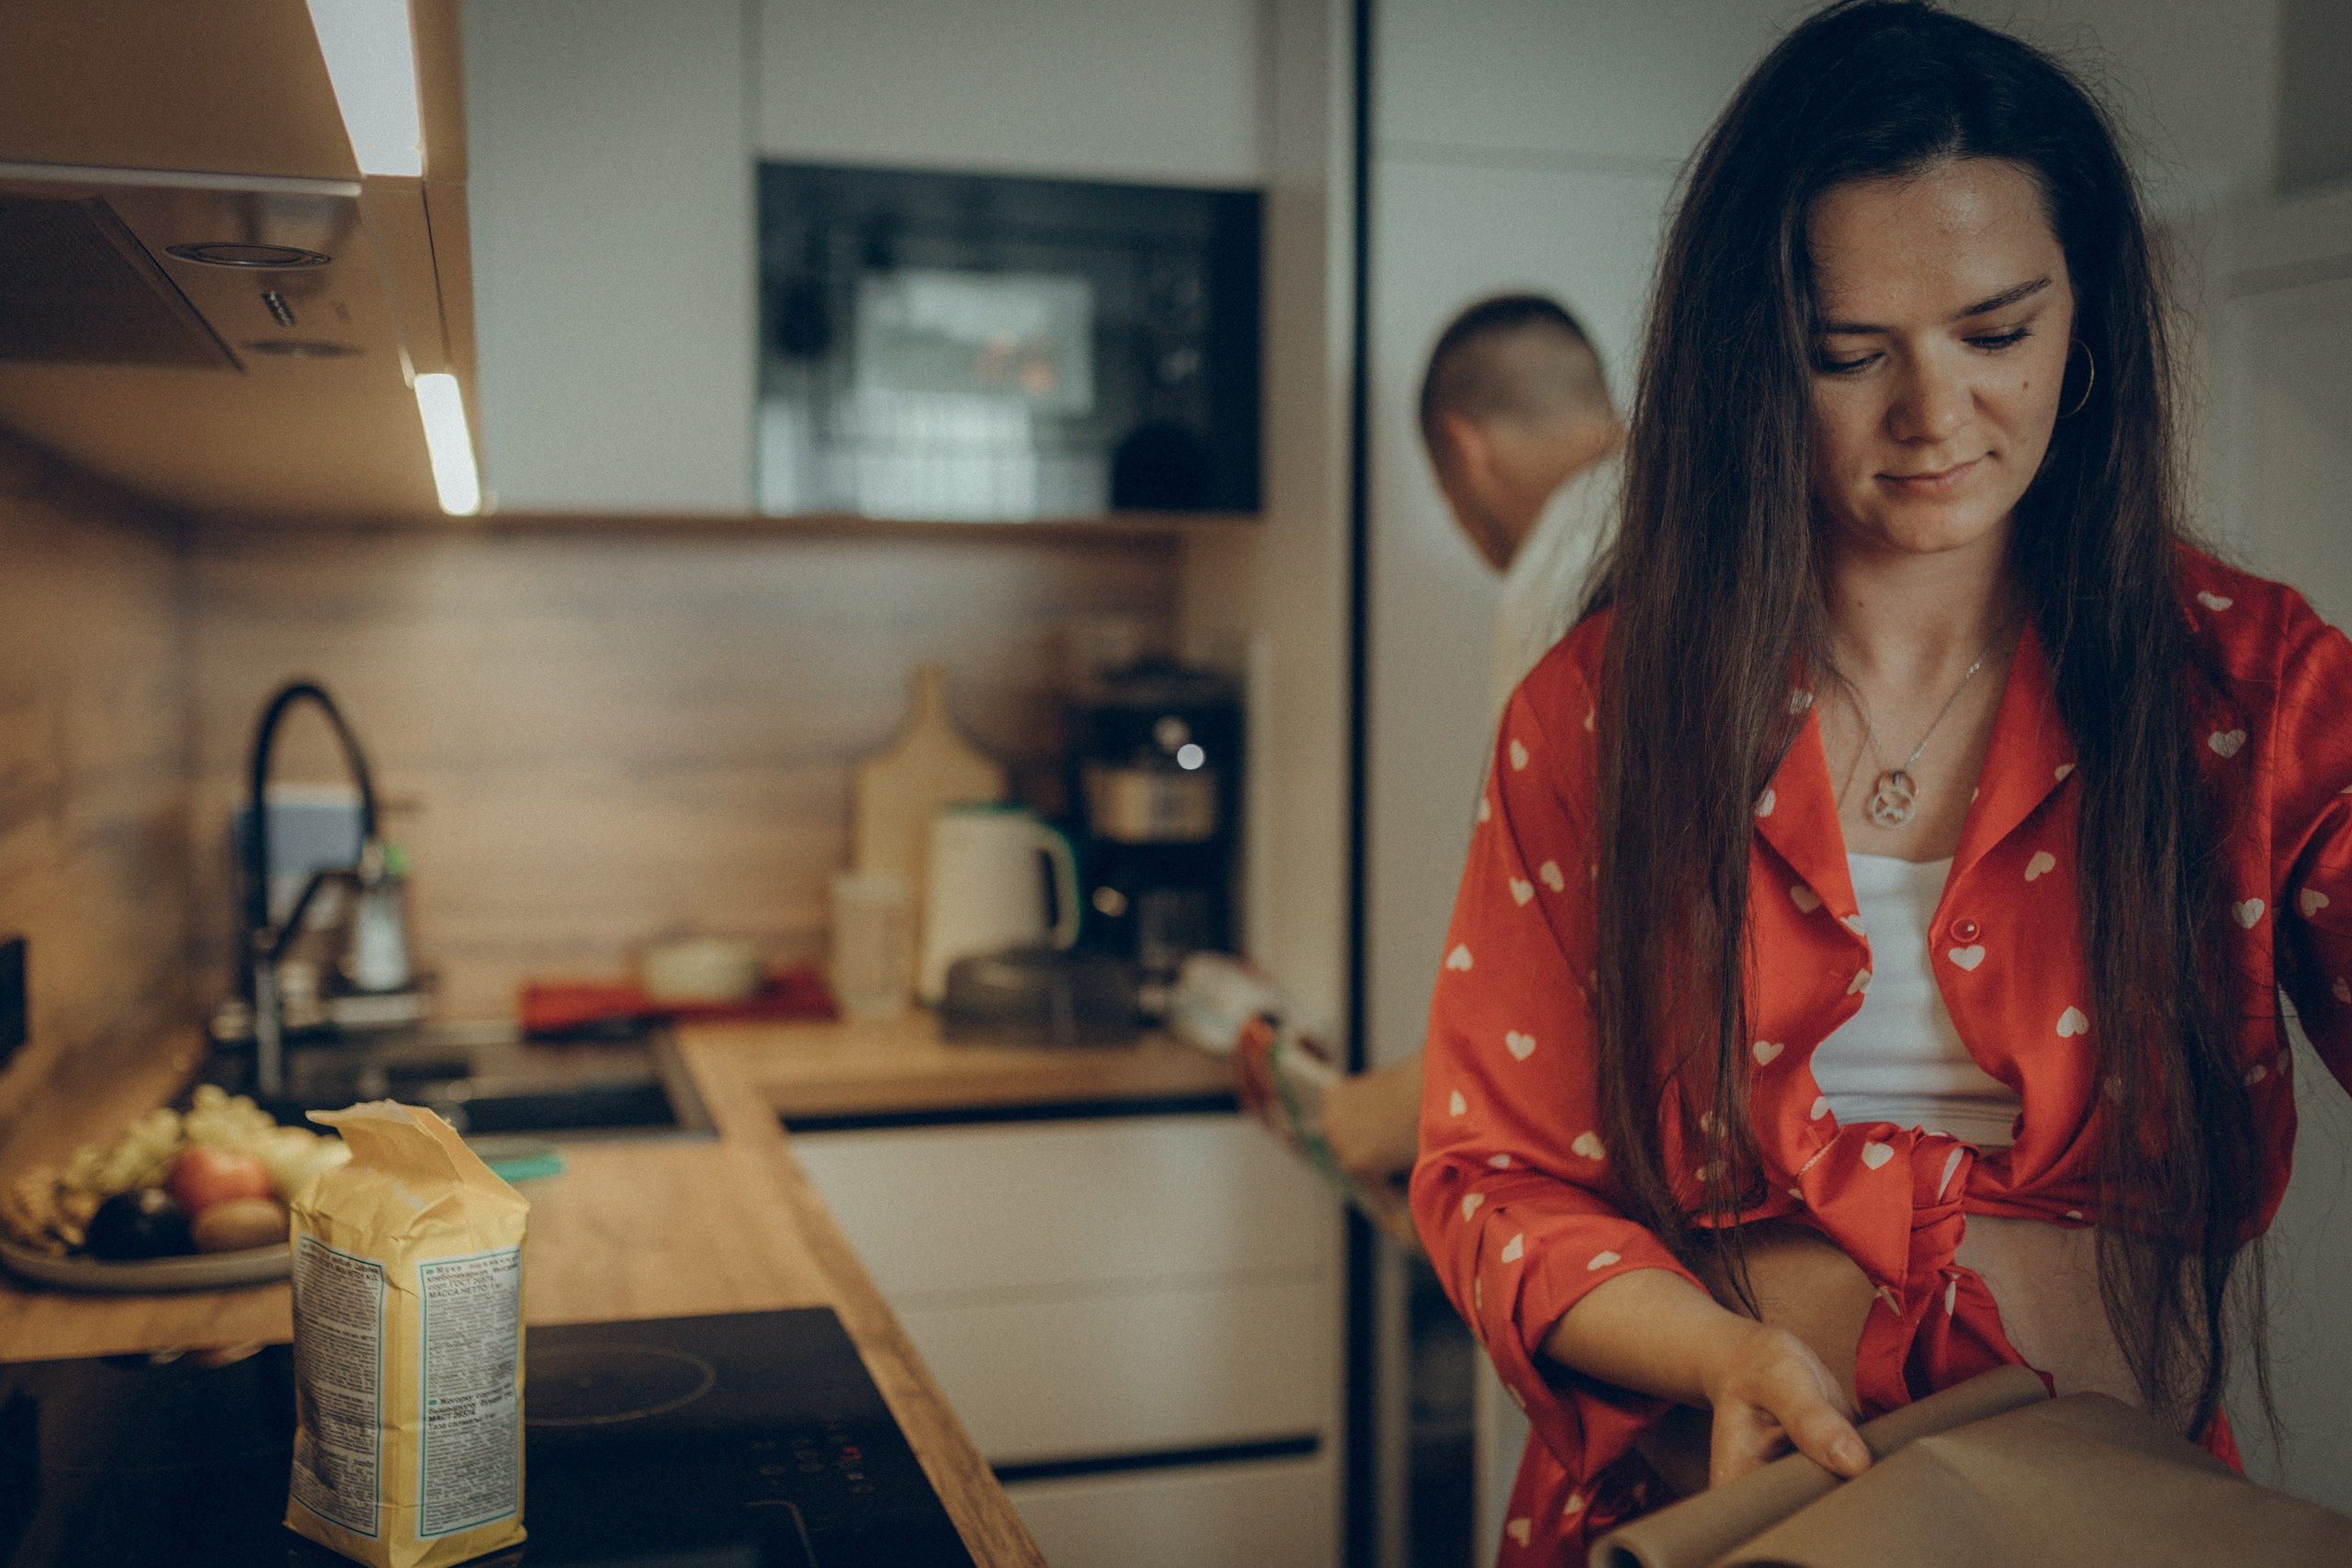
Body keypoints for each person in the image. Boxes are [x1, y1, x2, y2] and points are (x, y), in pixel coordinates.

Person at [1409, 3, 2352, 1563]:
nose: (1935, 419)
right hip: (1725, 1518)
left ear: (2088, 318)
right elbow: (1494, 1172)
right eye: (1848, 355)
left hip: (2106, 1524)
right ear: (1749, 363)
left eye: (1999, 333)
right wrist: (1717, 1349)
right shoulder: (1604, 713)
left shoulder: (2250, 695)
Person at [1318, 295, 1624, 1184]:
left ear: (1464, 450)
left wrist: (1412, 1103)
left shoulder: (1567, 562)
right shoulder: (1701, 494)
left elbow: (1549, 914)